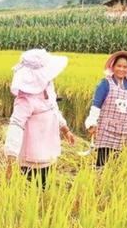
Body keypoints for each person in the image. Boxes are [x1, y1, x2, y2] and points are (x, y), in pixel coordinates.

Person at [4, 49, 75, 188]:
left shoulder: (48, 90)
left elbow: (54, 109)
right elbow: (15, 126)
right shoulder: (25, 99)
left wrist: (65, 129)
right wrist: (11, 158)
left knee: (45, 185)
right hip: (32, 156)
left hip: (48, 149)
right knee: (32, 188)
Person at [84, 51, 127, 167]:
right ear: (113, 66)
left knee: (118, 164)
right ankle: (99, 182)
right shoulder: (105, 83)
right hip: (106, 129)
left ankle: (114, 183)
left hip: (125, 130)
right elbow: (96, 105)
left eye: (125, 67)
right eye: (119, 66)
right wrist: (92, 123)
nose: (121, 69)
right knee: (102, 162)